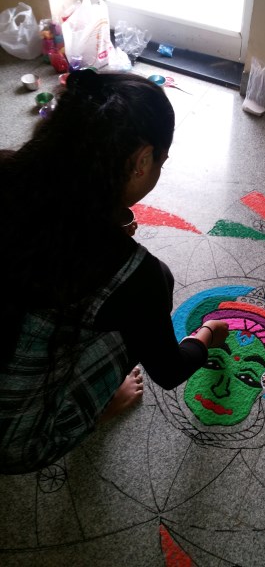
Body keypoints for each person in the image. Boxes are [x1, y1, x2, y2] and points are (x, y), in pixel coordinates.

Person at [0, 69, 228, 474]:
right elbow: (170, 371)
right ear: (142, 161)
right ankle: (94, 408)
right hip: (12, 440)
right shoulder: (137, 276)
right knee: (137, 317)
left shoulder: (7, 167)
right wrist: (208, 334)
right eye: (162, 160)